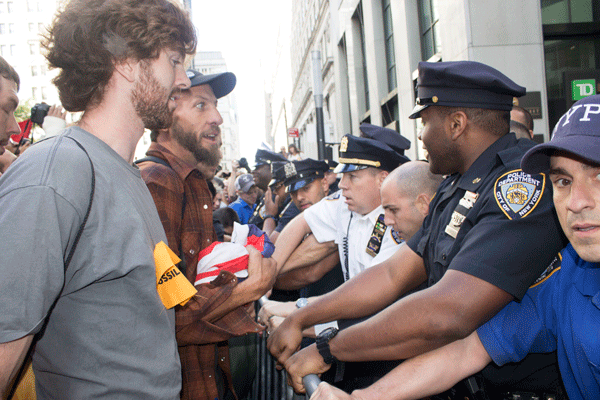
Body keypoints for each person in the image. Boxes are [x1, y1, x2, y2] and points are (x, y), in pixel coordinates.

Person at [270, 61, 568, 396]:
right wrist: (302, 317)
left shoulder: (520, 183)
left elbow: (449, 311)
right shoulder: (456, 185)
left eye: (425, 123)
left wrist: (327, 349)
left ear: (456, 124)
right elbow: (391, 275)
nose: (421, 137)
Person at [0, 0, 197, 398]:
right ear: (126, 61)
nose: (184, 79)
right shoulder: (57, 172)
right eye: (173, 61)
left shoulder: (125, 175)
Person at [138, 69, 276, 400]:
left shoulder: (192, 182)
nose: (216, 117)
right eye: (201, 106)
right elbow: (159, 317)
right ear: (165, 114)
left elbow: (192, 286)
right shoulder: (158, 183)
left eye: (214, 106)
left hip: (209, 378)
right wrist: (247, 290)